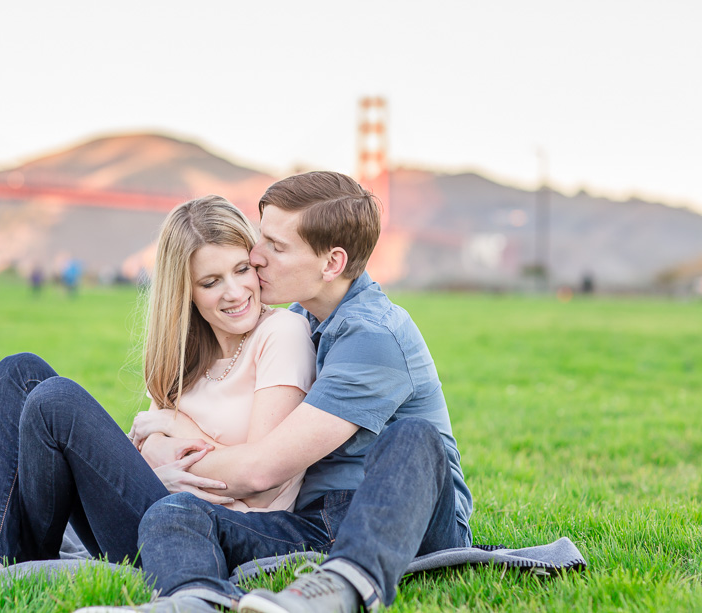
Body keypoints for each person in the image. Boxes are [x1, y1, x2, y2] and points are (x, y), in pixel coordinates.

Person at [90, 172, 473, 613]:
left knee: (414, 437)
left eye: (275, 245)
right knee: (174, 512)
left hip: (406, 521)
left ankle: (338, 590)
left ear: (331, 264)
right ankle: (193, 601)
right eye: (261, 238)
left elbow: (260, 470)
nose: (256, 256)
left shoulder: (375, 335)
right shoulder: (301, 317)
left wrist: (176, 431)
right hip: (312, 524)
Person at [0, 195, 316, 584]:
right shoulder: (186, 352)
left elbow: (264, 483)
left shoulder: (282, 333)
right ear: (185, 291)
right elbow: (142, 438)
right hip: (152, 505)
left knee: (54, 401)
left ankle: (13, 559)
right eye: (211, 281)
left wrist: (176, 437)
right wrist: (155, 459)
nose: (235, 291)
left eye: (242, 269)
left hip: (202, 533)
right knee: (18, 371)